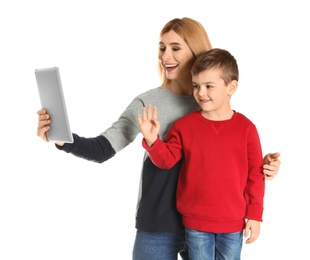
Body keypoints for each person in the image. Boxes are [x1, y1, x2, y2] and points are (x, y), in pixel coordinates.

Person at [36, 18, 280, 260]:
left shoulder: (216, 100)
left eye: (175, 48)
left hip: (213, 224)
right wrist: (62, 139)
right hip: (159, 222)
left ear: (196, 50)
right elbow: (102, 149)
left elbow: (232, 154)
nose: (165, 56)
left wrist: (263, 165)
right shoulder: (148, 103)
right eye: (161, 48)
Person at [138, 48, 266, 259]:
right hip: (195, 222)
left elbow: (255, 175)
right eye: (196, 86)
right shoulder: (184, 126)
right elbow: (166, 160)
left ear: (231, 87)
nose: (201, 93)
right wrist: (153, 140)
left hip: (233, 222)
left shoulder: (247, 129)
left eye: (209, 86)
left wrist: (254, 215)